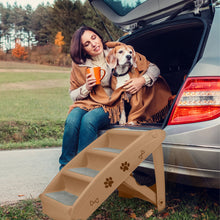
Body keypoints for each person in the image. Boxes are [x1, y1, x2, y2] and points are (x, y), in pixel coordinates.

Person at [59, 26, 171, 170]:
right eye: (87, 44)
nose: (93, 44)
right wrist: (86, 86)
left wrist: (142, 80)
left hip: (112, 103)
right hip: (86, 101)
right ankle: (64, 168)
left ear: (99, 37)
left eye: (93, 38)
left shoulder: (119, 51)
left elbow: (154, 68)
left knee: (89, 121)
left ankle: (85, 169)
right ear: (83, 49)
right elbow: (73, 95)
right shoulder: (79, 65)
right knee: (72, 120)